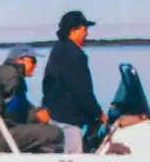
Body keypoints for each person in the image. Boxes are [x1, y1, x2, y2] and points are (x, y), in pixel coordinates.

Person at [42, 11, 106, 153]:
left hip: (55, 114)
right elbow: (82, 91)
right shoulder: (75, 55)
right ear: (73, 30)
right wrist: (97, 113)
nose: (87, 34)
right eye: (84, 29)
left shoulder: (58, 49)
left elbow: (47, 85)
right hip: (68, 121)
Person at [0, 44, 64, 153]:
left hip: (2, 133)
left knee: (44, 130)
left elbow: (19, 109)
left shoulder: (15, 79)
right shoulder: (10, 73)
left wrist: (36, 114)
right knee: (55, 133)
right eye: (33, 61)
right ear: (19, 60)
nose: (36, 65)